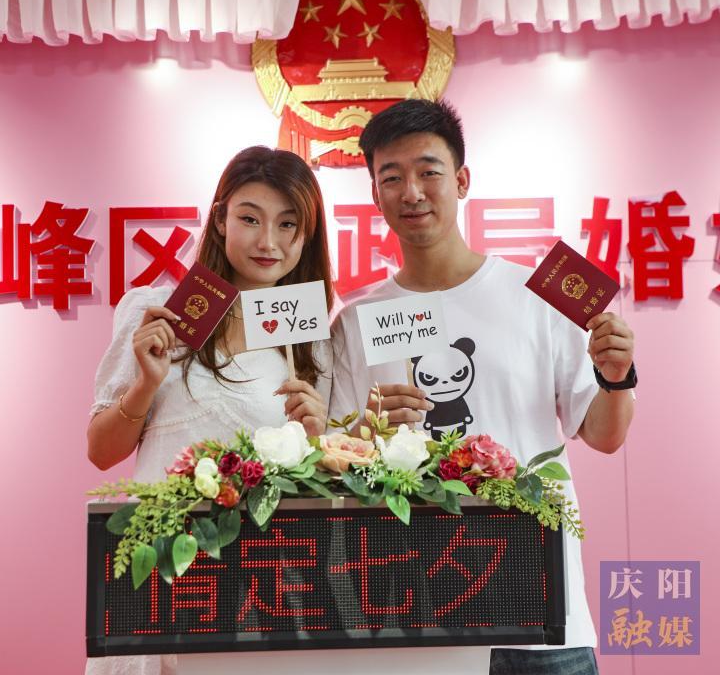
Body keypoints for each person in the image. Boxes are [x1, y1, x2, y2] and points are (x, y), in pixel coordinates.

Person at [329, 99, 636, 675]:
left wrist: (616, 377)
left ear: (462, 180)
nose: (411, 192)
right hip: (418, 614)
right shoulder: (355, 321)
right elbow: (337, 459)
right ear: (375, 194)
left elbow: (604, 434)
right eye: (391, 178)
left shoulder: (538, 295)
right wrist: (366, 432)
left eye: (428, 172)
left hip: (541, 610)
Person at [87, 146, 334, 675]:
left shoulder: (312, 341)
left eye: (288, 224)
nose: (268, 242)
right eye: (250, 218)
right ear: (220, 219)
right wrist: (146, 383)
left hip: (260, 582)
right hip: (159, 563)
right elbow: (101, 452)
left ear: (307, 237)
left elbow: (314, 484)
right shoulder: (156, 311)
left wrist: (316, 437)